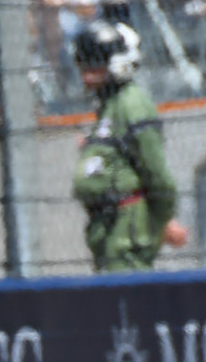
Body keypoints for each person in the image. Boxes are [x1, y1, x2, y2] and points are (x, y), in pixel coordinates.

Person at [71, 21, 188, 272]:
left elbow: (156, 174)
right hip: (107, 228)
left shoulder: (132, 104)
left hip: (127, 231)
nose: (86, 73)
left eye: (95, 63)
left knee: (126, 305)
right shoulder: (109, 106)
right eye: (84, 63)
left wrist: (162, 220)